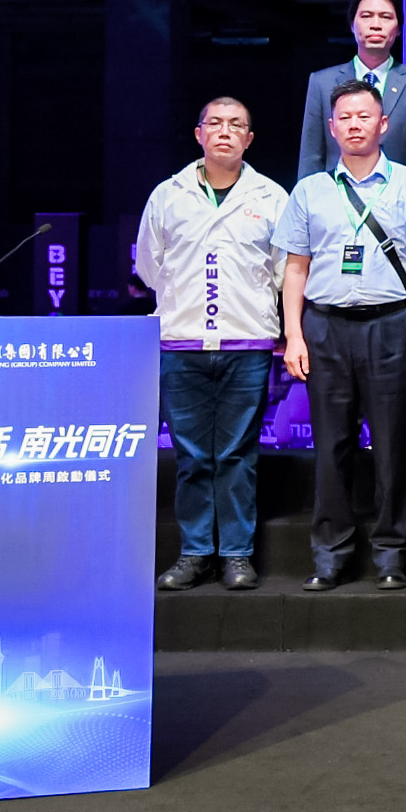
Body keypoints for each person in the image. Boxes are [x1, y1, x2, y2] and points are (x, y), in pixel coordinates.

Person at [276, 80, 406, 590]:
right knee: (331, 446)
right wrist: (293, 335)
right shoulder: (310, 190)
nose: (354, 125)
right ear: (331, 127)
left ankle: (392, 552)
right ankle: (331, 553)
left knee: (393, 446)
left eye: (363, 116)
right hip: (325, 327)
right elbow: (295, 268)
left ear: (383, 124)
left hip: (392, 324)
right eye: (344, 117)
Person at [140, 97, 288, 594]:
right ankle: (195, 552)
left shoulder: (271, 197)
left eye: (236, 125)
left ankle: (237, 554)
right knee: (191, 456)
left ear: (249, 139)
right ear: (199, 134)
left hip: (246, 342)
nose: (225, 131)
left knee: (237, 454)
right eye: (216, 123)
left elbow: (283, 271)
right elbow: (149, 266)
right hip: (180, 342)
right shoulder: (168, 195)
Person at [298, 0, 406, 183]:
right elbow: (311, 156)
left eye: (386, 17)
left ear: (399, 28)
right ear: (352, 25)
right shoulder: (322, 83)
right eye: (366, 16)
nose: (375, 24)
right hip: (337, 194)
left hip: (398, 196)